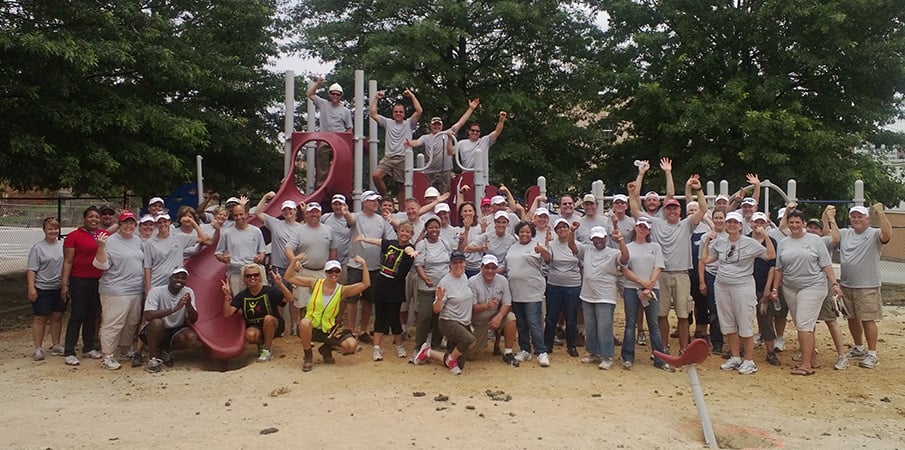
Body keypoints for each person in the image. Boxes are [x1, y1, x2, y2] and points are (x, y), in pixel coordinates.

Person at [629, 174, 707, 355]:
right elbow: (635, 211)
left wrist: (699, 190)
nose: (672, 212)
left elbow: (703, 209)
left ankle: (684, 348)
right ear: (664, 210)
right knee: (661, 313)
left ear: (680, 212)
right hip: (661, 275)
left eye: (675, 209)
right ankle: (664, 346)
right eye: (669, 209)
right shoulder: (655, 223)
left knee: (682, 314)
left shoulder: (687, 224)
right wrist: (632, 193)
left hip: (681, 274)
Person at [700, 211, 775, 375]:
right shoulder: (720, 242)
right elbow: (706, 260)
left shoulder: (750, 243)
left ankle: (749, 360)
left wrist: (766, 236)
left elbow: (770, 255)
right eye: (729, 222)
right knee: (728, 323)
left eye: (735, 222)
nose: (732, 225)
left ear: (741, 225)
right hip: (722, 286)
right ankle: (735, 357)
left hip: (742, 286)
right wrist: (706, 241)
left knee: (744, 323)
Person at [771, 210, 843, 376]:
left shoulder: (815, 241)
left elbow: (826, 264)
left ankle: (805, 364)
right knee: (804, 325)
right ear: (787, 223)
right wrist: (775, 288)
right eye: (791, 222)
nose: (794, 225)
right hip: (790, 287)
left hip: (813, 286)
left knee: (803, 324)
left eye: (798, 222)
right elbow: (779, 268)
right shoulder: (784, 242)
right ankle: (812, 359)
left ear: (803, 223)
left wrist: (834, 284)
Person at [287, 257, 371, 372]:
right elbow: (289, 277)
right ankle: (308, 356)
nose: (333, 274)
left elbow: (365, 284)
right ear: (325, 272)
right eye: (330, 271)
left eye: (336, 271)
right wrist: (294, 260)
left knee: (351, 346)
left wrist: (364, 264)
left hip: (329, 328)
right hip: (312, 326)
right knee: (304, 322)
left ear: (340, 273)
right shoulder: (314, 283)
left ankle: (326, 348)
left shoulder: (342, 290)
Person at [838, 204, 891, 369]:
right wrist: (828, 218)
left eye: (860, 216)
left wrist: (880, 213)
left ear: (867, 219)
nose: (856, 219)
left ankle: (872, 353)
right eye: (853, 216)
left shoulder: (874, 234)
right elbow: (829, 235)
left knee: (868, 319)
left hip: (867, 285)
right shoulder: (845, 233)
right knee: (852, 318)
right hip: (847, 284)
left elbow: (887, 235)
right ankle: (859, 347)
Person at [354, 223, 418, 361]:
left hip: (395, 288)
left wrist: (411, 253)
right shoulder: (391, 243)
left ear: (411, 235)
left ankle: (399, 346)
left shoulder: (410, 248)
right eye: (402, 231)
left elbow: (407, 249)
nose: (404, 234)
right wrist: (363, 239)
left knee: (394, 317)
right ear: (398, 232)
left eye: (408, 232)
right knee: (380, 317)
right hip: (381, 284)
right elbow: (378, 242)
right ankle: (376, 348)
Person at [620, 216, 674, 371]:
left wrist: (649, 287)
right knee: (630, 324)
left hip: (651, 289)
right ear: (635, 228)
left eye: (645, 227)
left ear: (649, 230)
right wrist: (642, 283)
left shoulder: (655, 247)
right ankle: (628, 357)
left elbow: (658, 267)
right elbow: (624, 269)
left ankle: (659, 358)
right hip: (631, 288)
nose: (642, 229)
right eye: (640, 226)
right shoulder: (628, 247)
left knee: (653, 325)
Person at [343, 190, 397, 343]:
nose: (376, 203)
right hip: (355, 265)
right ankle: (351, 330)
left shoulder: (381, 220)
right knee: (352, 299)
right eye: (372, 201)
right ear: (364, 203)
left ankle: (364, 330)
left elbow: (390, 240)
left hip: (374, 266)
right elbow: (349, 218)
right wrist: (346, 212)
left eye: (376, 201)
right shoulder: (356, 216)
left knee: (369, 300)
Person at [93, 212, 145, 370]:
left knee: (132, 321)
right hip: (115, 289)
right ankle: (107, 355)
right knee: (114, 322)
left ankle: (124, 348)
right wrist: (101, 246)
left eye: (132, 223)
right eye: (125, 223)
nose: (128, 226)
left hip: (135, 289)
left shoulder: (137, 241)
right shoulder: (109, 241)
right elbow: (100, 265)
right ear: (119, 225)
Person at [412, 251, 475, 375]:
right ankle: (451, 359)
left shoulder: (465, 277)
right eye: (455, 263)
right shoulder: (445, 282)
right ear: (450, 265)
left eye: (461, 262)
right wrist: (439, 299)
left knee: (460, 364)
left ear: (465, 263)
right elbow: (436, 310)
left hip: (464, 322)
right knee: (469, 339)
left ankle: (428, 352)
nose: (458, 266)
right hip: (448, 321)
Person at [60, 206, 109, 365]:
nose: (94, 219)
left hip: (98, 280)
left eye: (96, 217)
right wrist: (64, 283)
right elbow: (68, 261)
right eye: (90, 217)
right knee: (77, 314)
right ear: (85, 218)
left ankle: (88, 347)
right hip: (79, 279)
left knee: (92, 314)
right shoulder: (74, 236)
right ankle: (69, 350)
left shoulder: (103, 235)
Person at [578, 226, 629, 369]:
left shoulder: (613, 252)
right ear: (591, 239)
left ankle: (607, 356)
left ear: (606, 238)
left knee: (604, 327)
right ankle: (594, 353)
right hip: (587, 295)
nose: (598, 241)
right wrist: (571, 231)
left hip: (605, 296)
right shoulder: (587, 250)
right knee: (591, 326)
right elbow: (571, 246)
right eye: (595, 238)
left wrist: (620, 240)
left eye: (601, 238)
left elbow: (625, 258)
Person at [221, 264, 293, 362]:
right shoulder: (242, 296)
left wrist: (280, 284)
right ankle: (262, 343)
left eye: (256, 275)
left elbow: (289, 299)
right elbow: (227, 313)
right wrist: (227, 297)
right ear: (244, 279)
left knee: (268, 319)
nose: (252, 278)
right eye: (248, 276)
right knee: (250, 335)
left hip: (274, 324)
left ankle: (267, 351)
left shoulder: (269, 291)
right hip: (255, 327)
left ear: (260, 276)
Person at [405, 99, 479, 193]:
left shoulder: (446, 133)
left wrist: (471, 108)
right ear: (431, 126)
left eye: (438, 125)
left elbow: (461, 122)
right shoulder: (426, 137)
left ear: (441, 126)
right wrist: (410, 143)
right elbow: (417, 142)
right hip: (429, 171)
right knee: (428, 194)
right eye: (434, 125)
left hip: (445, 171)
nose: (436, 126)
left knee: (446, 194)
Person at [285, 202, 336, 334]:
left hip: (322, 272)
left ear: (320, 213)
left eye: (316, 212)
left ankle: (318, 330)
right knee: (303, 304)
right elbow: (288, 248)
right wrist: (294, 261)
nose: (314, 214)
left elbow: (333, 250)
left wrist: (334, 268)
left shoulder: (328, 230)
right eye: (311, 212)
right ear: (306, 214)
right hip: (304, 271)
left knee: (321, 303)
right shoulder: (299, 231)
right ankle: (304, 331)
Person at [507, 222, 552, 366]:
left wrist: (542, 250)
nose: (524, 234)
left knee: (534, 322)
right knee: (521, 323)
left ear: (531, 233)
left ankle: (541, 351)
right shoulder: (512, 247)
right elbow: (507, 266)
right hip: (516, 291)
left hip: (533, 292)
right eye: (521, 232)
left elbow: (548, 259)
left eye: (527, 232)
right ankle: (525, 349)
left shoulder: (536, 244)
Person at [369, 89, 423, 207]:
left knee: (402, 185)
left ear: (404, 113)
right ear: (393, 113)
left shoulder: (409, 123)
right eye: (396, 112)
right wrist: (376, 98)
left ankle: (403, 211)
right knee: (376, 175)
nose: (398, 113)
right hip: (389, 156)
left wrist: (412, 96)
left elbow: (419, 111)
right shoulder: (388, 122)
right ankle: (387, 198)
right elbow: (373, 113)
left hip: (403, 157)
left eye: (400, 112)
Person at [140, 267, 199, 373]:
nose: (180, 281)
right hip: (155, 330)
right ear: (170, 278)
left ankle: (164, 352)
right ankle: (152, 358)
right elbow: (148, 315)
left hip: (175, 329)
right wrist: (175, 308)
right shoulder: (156, 291)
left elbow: (194, 319)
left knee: (191, 337)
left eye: (183, 278)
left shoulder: (188, 291)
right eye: (176, 277)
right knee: (157, 323)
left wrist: (189, 305)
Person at [466, 255, 519, 366]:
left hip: (495, 315)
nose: (490, 270)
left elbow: (507, 303)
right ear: (481, 267)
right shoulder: (472, 281)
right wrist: (486, 306)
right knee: (470, 357)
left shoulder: (503, 280)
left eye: (493, 268)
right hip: (478, 322)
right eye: (487, 267)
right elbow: (472, 308)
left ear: (496, 269)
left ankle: (508, 353)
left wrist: (499, 317)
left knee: (511, 318)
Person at [26, 217, 65, 361]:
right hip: (42, 287)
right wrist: (31, 288)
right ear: (44, 230)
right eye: (50, 228)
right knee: (40, 317)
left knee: (57, 316)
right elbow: (32, 269)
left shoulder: (63, 245)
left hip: (59, 287)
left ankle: (56, 344)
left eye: (55, 228)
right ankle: (38, 348)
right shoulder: (38, 248)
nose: (53, 231)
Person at [413, 218, 452, 354]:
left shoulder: (445, 243)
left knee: (439, 318)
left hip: (442, 288)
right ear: (426, 230)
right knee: (424, 317)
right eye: (431, 228)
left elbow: (450, 262)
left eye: (437, 227)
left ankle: (435, 345)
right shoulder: (421, 245)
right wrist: (425, 278)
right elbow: (418, 265)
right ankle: (419, 346)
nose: (434, 230)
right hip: (427, 287)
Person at [544, 218, 581, 357]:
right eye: (559, 228)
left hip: (573, 285)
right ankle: (547, 345)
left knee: (571, 318)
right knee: (551, 317)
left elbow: (582, 264)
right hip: (554, 285)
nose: (562, 230)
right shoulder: (551, 245)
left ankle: (571, 345)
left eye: (564, 227)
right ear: (555, 231)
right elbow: (547, 261)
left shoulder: (577, 245)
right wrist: (546, 244)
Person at [307, 77, 353, 188]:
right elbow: (310, 94)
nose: (335, 96)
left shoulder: (345, 111)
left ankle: (343, 184)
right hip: (326, 139)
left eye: (338, 94)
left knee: (343, 161)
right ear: (330, 94)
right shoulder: (323, 104)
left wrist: (346, 142)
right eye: (333, 94)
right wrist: (317, 83)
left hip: (339, 140)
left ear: (341, 96)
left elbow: (349, 128)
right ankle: (321, 185)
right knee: (322, 156)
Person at [214, 204, 266, 295]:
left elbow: (262, 251)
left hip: (254, 271)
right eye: (236, 215)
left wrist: (260, 257)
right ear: (233, 216)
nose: (239, 217)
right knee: (239, 302)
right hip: (236, 273)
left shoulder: (256, 231)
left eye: (241, 214)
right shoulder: (227, 233)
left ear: (246, 214)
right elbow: (218, 252)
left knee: (261, 299)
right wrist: (223, 258)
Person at [698, 209, 727, 355]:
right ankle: (717, 342)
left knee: (728, 309)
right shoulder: (706, 237)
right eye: (716, 218)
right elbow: (701, 261)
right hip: (711, 275)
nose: (718, 220)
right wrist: (702, 281)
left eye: (721, 217)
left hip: (727, 276)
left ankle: (730, 339)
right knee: (714, 310)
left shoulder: (731, 236)